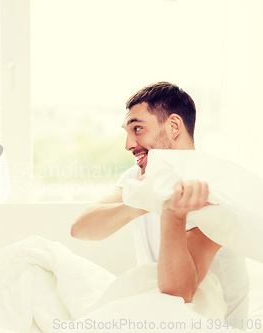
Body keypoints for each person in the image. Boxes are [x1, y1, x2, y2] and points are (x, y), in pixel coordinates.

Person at [71, 82, 249, 330]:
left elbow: (180, 293)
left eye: (138, 129)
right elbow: (80, 229)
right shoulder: (139, 177)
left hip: (208, 320)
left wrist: (170, 213)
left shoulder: (211, 186)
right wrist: (140, 201)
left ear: (174, 126)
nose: (128, 144)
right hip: (155, 308)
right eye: (127, 131)